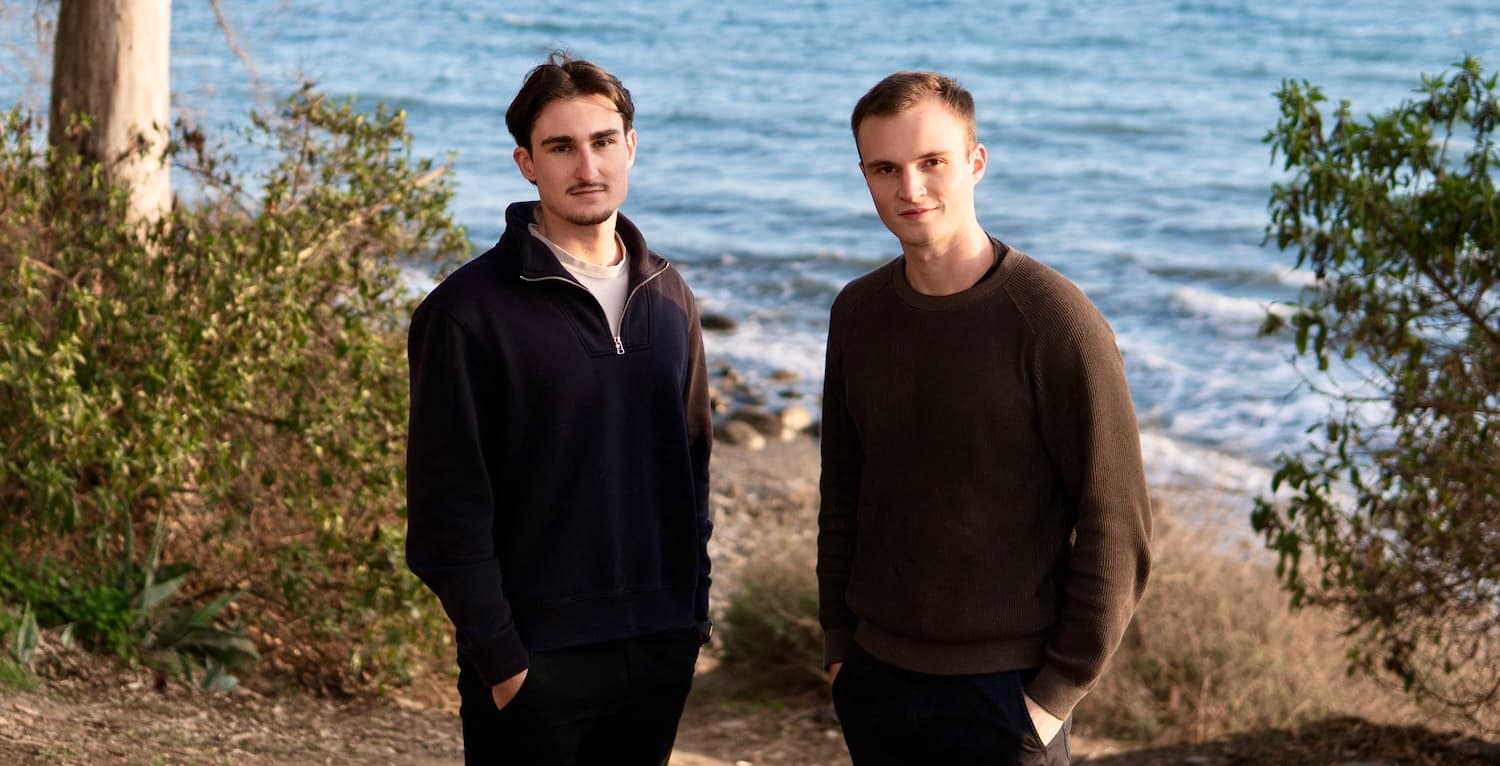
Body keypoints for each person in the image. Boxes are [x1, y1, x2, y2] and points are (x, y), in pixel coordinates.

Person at [817, 70, 1153, 766]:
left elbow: (1116, 522)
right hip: (877, 678)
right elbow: (843, 489)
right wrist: (839, 649)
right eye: (885, 169)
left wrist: (1053, 696)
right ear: (865, 176)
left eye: (931, 162)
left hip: (1006, 695)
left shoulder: (1056, 324)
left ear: (975, 162)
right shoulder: (857, 312)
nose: (909, 188)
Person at [404, 51, 713, 766]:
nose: (587, 166)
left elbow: (692, 467)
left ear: (630, 147)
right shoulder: (466, 314)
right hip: (534, 662)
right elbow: (445, 512)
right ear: (526, 162)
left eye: (604, 142)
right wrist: (505, 664)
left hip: (657, 652)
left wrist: (688, 618)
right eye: (561, 147)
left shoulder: (670, 298)